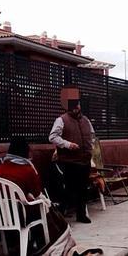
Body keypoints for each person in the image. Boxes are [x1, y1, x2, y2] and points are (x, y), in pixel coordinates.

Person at [49, 85, 95, 224]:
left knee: (83, 189)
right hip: (70, 160)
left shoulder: (86, 120)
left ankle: (81, 214)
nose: (76, 107)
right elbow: (53, 137)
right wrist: (67, 144)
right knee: (69, 189)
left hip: (85, 159)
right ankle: (62, 213)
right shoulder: (61, 120)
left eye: (77, 104)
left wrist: (91, 146)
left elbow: (92, 135)